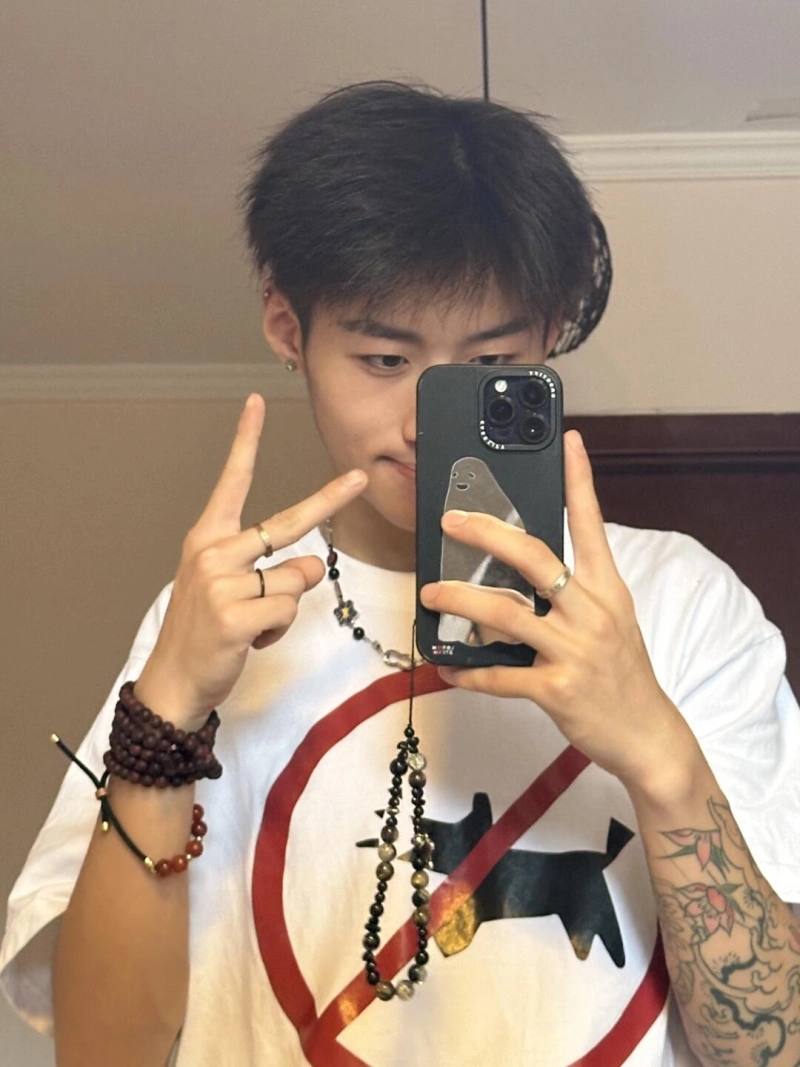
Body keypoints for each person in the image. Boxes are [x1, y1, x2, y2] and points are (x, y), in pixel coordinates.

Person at [2, 80, 799, 1067]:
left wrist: (657, 752)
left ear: (548, 336)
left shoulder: (677, 599)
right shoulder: (213, 619)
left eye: (488, 363)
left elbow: (772, 1049)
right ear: (287, 328)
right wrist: (165, 711)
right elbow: (104, 1051)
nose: (426, 420)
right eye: (383, 358)